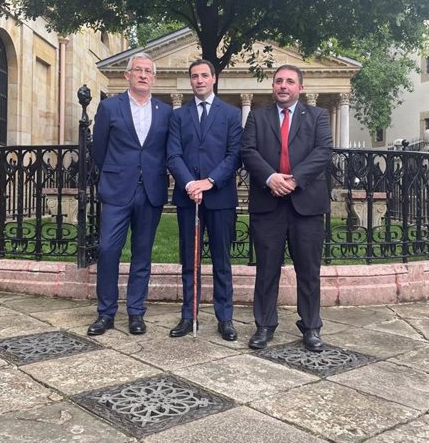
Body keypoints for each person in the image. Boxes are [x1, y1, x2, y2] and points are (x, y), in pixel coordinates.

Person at [241, 64, 333, 352]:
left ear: (300, 88)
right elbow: (248, 151)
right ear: (273, 86)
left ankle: (311, 326)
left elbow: (323, 151)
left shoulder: (317, 116)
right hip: (268, 204)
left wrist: (294, 180)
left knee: (308, 269)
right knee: (267, 269)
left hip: (305, 203)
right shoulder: (257, 116)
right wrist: (271, 178)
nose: (283, 86)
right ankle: (264, 325)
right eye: (278, 81)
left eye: (289, 81)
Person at [88, 52, 172, 336]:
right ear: (127, 75)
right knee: (108, 250)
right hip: (117, 190)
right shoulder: (110, 107)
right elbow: (98, 148)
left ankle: (136, 312)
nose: (144, 75)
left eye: (149, 71)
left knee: (142, 254)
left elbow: (164, 151)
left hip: (150, 191)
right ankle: (106, 313)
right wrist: (117, 172)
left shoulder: (165, 111)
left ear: (154, 77)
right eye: (138, 70)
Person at [167, 59, 242, 340]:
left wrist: (208, 182)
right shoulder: (178, 116)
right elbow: (173, 155)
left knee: (222, 260)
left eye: (203, 75)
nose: (199, 80)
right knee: (190, 259)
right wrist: (189, 184)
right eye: (194, 76)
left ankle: (225, 318)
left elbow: (235, 155)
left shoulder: (231, 114)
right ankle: (189, 315)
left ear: (214, 78)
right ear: (191, 81)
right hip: (188, 198)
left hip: (220, 197)